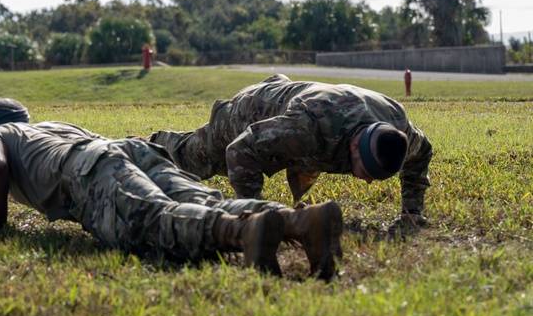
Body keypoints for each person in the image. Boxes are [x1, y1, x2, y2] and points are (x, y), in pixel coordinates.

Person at [0, 98, 345, 280]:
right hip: (127, 149)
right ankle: (299, 222)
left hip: (86, 168)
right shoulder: (53, 125)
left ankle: (244, 231)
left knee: (152, 220)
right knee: (201, 198)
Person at [149, 74, 433, 223]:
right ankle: (144, 146)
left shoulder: (399, 127)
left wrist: (412, 210)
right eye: (367, 171)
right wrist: (253, 210)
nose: (369, 181)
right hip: (252, 110)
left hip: (297, 102)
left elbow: (423, 153)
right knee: (191, 161)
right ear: (356, 144)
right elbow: (240, 148)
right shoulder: (308, 128)